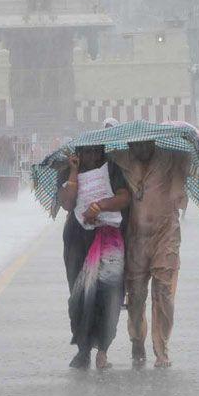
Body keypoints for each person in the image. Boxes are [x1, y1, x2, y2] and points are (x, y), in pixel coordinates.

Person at [111, 140, 189, 368]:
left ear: (153, 143)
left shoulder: (170, 156)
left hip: (166, 234)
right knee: (135, 296)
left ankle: (161, 348)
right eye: (136, 146)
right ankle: (137, 339)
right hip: (136, 237)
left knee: (163, 292)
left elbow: (180, 189)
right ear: (130, 145)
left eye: (146, 145)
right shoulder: (124, 158)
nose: (141, 150)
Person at [58, 146, 131, 370]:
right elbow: (67, 203)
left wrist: (99, 207)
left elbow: (124, 197)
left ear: (102, 152)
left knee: (109, 295)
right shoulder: (67, 169)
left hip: (108, 241)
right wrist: (73, 172)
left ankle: (102, 350)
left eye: (95, 152)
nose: (91, 157)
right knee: (79, 295)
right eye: (86, 153)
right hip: (78, 243)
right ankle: (83, 350)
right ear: (78, 153)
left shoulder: (112, 169)